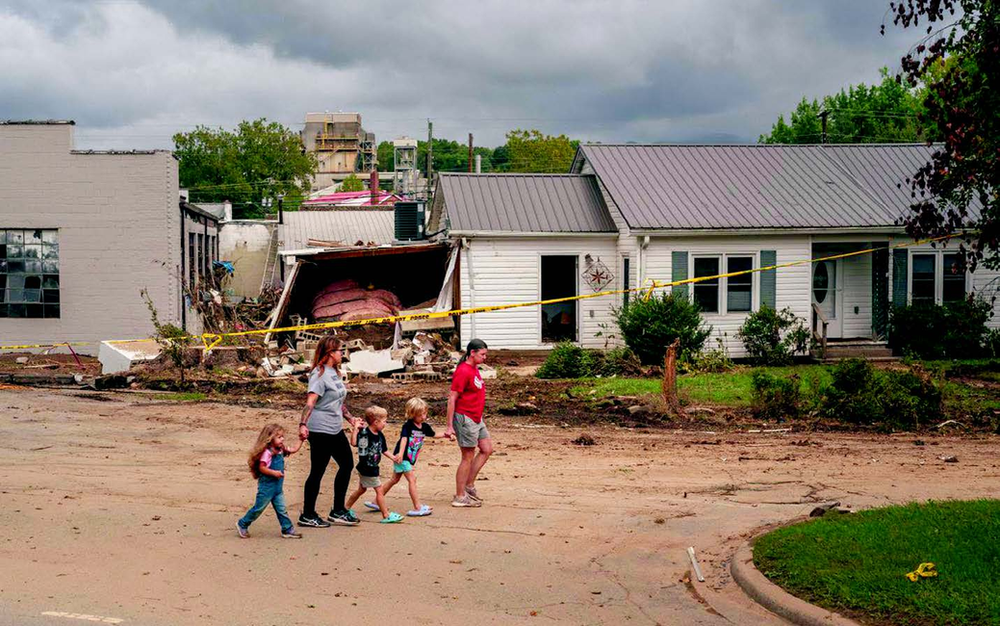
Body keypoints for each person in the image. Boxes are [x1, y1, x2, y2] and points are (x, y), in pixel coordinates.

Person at [298, 335, 362, 528]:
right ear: (329, 353)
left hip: (335, 428)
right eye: (339, 350)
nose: (342, 353)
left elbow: (338, 401)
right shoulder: (318, 375)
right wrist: (302, 424)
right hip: (320, 429)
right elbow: (310, 402)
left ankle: (338, 510)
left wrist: (350, 419)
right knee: (318, 471)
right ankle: (308, 514)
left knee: (347, 464)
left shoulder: (334, 372)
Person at [367, 397, 451, 517]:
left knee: (394, 480)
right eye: (420, 415)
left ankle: (376, 501)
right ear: (412, 415)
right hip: (402, 457)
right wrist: (400, 454)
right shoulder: (408, 426)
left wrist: (446, 435)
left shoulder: (424, 426)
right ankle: (417, 507)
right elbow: (404, 439)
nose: (423, 417)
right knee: (412, 480)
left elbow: (434, 435)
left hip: (408, 458)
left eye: (425, 413)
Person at [445, 338, 492, 507]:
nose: (485, 357)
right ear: (472, 353)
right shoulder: (463, 371)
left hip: (476, 418)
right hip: (465, 418)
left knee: (487, 449)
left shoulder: (473, 369)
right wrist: (450, 425)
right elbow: (452, 398)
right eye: (482, 354)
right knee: (467, 457)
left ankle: (468, 486)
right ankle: (459, 496)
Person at [237, 423, 303, 539]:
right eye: (279, 437)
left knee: (282, 509)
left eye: (282, 436)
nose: (282, 439)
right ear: (269, 438)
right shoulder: (267, 453)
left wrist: (301, 440)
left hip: (277, 488)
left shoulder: (281, 450)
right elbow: (262, 468)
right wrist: (274, 473)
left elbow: (293, 449)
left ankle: (287, 529)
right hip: (267, 488)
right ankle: (243, 523)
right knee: (258, 508)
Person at [345, 406, 404, 524]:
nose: (385, 424)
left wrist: (393, 458)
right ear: (376, 422)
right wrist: (356, 430)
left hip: (373, 467)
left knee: (361, 490)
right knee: (380, 491)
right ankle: (386, 515)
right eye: (384, 421)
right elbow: (354, 443)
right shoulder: (365, 433)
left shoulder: (380, 435)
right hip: (367, 468)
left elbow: (384, 450)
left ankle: (345, 508)